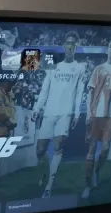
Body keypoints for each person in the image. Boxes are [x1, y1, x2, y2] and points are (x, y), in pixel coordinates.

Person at [32, 31, 86, 198]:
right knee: (40, 150)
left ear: (76, 47)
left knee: (57, 147)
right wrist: (37, 108)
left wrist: (76, 113)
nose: (70, 46)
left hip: (65, 113)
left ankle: (49, 185)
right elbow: (44, 89)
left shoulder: (80, 68)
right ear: (64, 46)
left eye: (73, 44)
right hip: (49, 112)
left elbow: (79, 92)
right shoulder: (54, 67)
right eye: (68, 43)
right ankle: (44, 173)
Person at [82, 39, 111, 198]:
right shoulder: (99, 68)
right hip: (96, 114)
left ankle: (97, 170)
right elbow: (90, 91)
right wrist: (89, 113)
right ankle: (87, 185)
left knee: (105, 149)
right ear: (107, 50)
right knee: (91, 150)